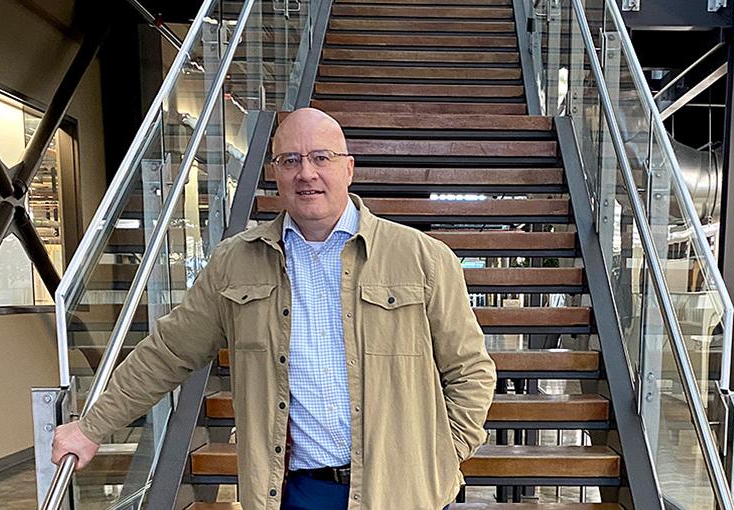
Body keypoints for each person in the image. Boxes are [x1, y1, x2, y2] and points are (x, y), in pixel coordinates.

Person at [51, 108, 497, 510]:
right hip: (291, 494)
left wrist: (442, 451)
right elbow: (168, 352)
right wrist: (91, 426)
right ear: (275, 173)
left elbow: (471, 369)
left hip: (401, 492)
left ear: (348, 169)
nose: (307, 173)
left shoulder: (423, 258)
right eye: (291, 160)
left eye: (321, 158)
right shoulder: (235, 263)